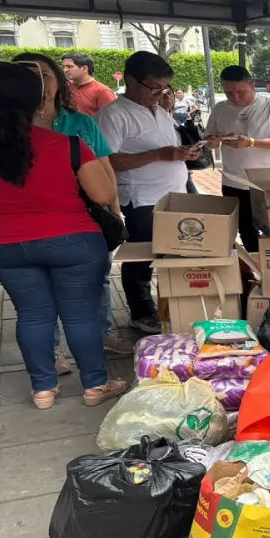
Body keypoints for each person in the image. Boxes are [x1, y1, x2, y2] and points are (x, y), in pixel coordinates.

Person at [0, 63, 128, 410]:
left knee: (33, 315)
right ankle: (95, 385)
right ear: (39, 102)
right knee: (80, 316)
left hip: (5, 244)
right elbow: (104, 194)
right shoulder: (67, 145)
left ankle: (43, 390)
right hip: (73, 241)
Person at [12, 51, 134, 363]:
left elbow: (105, 167)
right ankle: (52, 352)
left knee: (96, 279)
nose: (38, 82)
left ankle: (103, 334)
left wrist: (115, 212)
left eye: (44, 74)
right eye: (29, 75)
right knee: (40, 291)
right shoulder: (6, 128)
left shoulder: (79, 123)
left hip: (86, 216)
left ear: (58, 79)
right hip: (29, 220)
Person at [97, 51, 198, 334]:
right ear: (131, 80)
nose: (159, 94)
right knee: (142, 256)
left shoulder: (159, 111)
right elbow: (107, 160)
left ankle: (176, 304)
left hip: (176, 193)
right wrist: (159, 154)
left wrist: (184, 152)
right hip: (142, 199)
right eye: (153, 87)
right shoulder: (113, 115)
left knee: (178, 253)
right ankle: (141, 311)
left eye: (164, 88)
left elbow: (167, 148)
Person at [203, 65, 270, 253]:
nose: (235, 97)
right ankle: (256, 264)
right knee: (245, 229)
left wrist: (251, 142)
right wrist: (215, 141)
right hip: (233, 181)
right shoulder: (220, 109)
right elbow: (209, 142)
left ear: (252, 86)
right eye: (229, 93)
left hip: (268, 182)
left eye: (240, 92)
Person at [157, 90, 199, 195]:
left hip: (181, 172)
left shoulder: (173, 119)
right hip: (162, 179)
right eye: (162, 94)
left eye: (169, 93)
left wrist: (188, 150)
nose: (167, 97)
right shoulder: (152, 121)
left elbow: (177, 146)